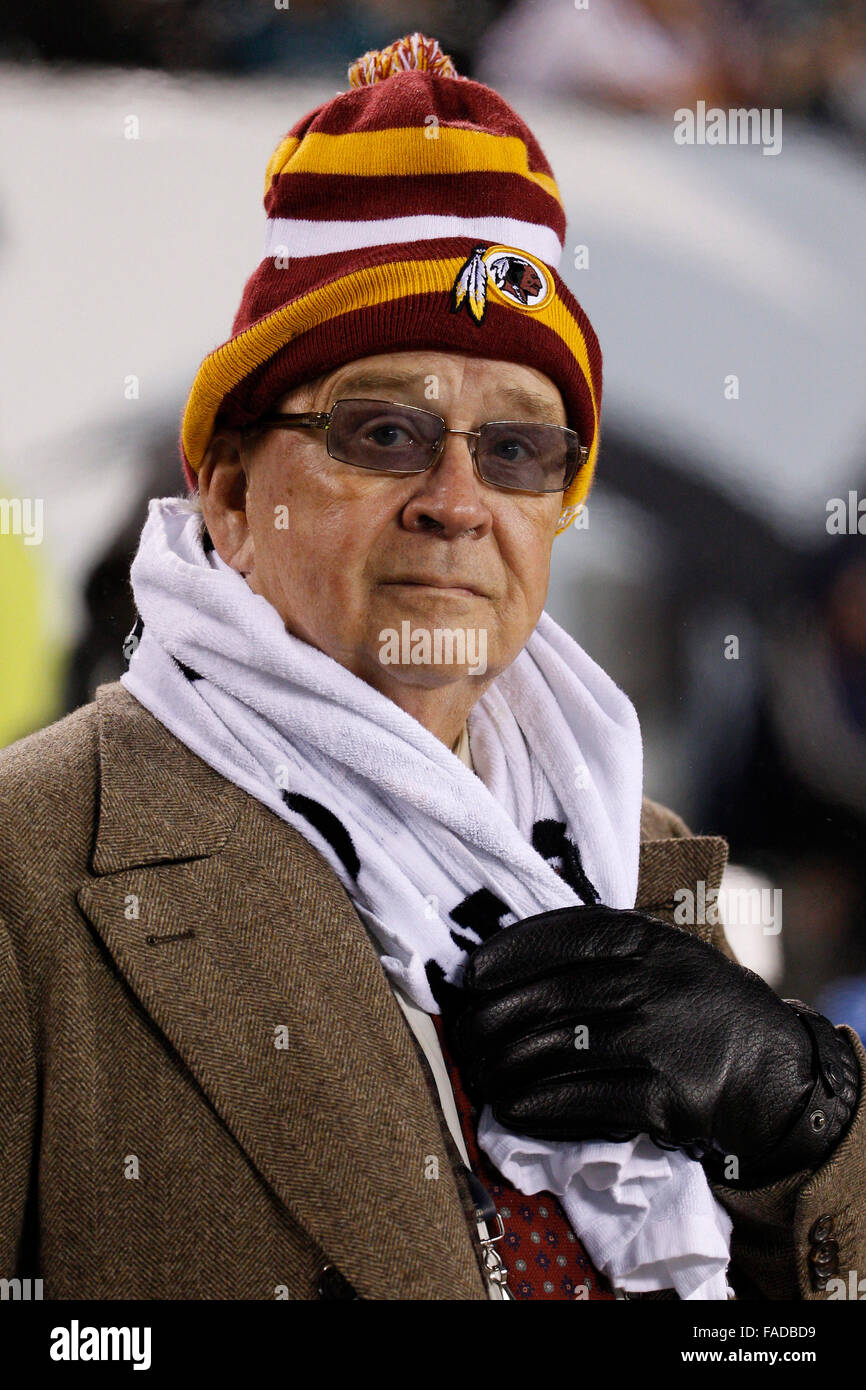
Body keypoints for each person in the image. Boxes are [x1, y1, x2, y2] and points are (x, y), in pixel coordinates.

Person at [0, 33, 863, 1303]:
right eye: (385, 432)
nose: (456, 502)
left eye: (517, 450)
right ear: (230, 495)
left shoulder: (640, 861)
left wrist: (808, 1124)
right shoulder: (31, 876)